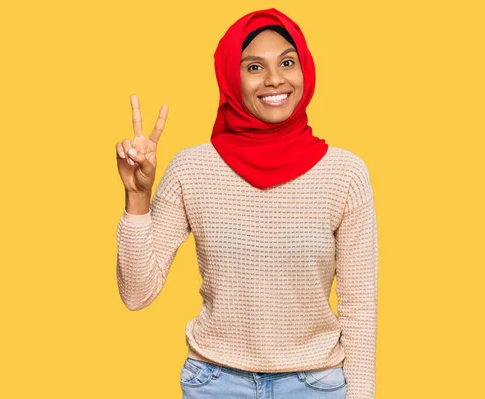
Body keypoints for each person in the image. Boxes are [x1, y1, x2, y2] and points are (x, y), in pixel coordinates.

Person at [115, 8, 378, 399]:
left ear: (304, 69)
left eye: (287, 62)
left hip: (316, 386)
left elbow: (359, 310)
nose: (275, 79)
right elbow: (137, 294)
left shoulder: (345, 174)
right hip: (214, 384)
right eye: (254, 67)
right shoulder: (192, 168)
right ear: (230, 79)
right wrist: (137, 196)